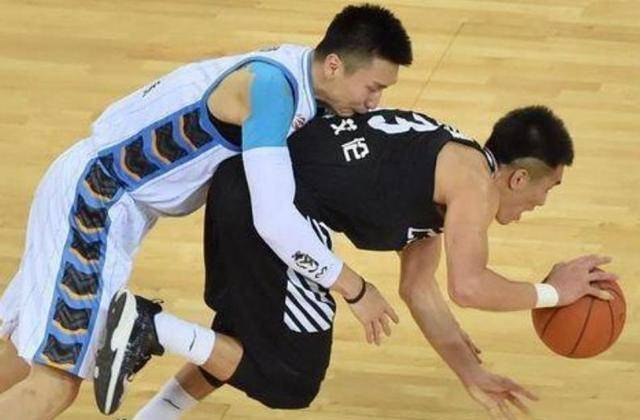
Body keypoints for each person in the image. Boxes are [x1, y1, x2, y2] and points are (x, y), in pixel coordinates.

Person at [0, 4, 413, 418]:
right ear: (334, 66)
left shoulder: (303, 78)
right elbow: (275, 221)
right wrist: (356, 289)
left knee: (16, 354)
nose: (374, 102)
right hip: (95, 199)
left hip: (91, 190)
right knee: (55, 385)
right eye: (372, 87)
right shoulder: (272, 91)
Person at [106, 106, 617, 420]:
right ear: (520, 178)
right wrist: (555, 293)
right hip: (276, 211)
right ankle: (150, 325)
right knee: (291, 380)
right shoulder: (473, 184)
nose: (541, 203)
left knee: (239, 345)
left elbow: (420, 289)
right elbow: (469, 286)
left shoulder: (446, 167)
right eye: (549, 188)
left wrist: (470, 373)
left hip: (245, 188)